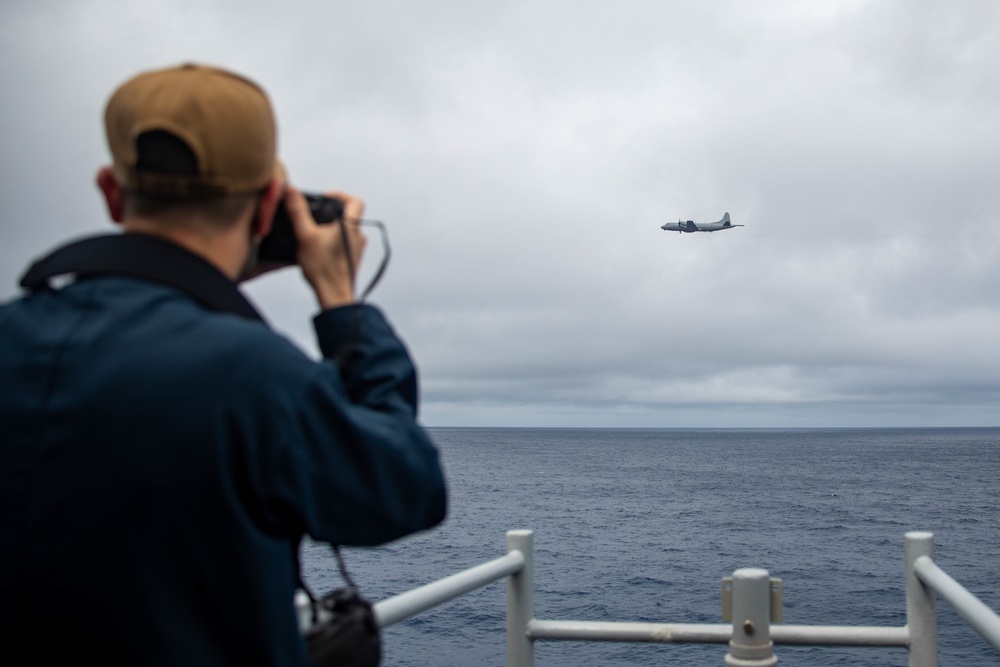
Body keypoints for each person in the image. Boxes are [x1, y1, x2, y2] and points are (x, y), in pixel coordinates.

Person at [0, 63, 447, 665]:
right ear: (268, 209)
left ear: (111, 192)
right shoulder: (254, 378)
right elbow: (406, 489)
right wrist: (342, 303)